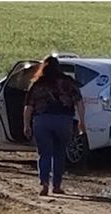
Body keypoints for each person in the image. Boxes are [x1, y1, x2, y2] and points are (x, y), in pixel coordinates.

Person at [23, 56, 86, 196]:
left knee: (44, 153)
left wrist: (26, 125)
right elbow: (80, 103)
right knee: (59, 153)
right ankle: (56, 185)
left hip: (42, 120)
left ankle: (44, 183)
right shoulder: (68, 82)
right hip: (64, 121)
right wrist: (81, 121)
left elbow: (28, 107)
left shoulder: (38, 83)